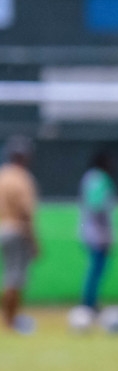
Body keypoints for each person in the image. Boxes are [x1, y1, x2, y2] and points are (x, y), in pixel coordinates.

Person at [0, 135, 39, 334]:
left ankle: (9, 318)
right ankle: (10, 320)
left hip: (2, 229)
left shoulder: (3, 175)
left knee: (9, 275)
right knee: (15, 279)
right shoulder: (23, 178)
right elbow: (26, 213)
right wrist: (34, 241)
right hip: (17, 230)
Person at [78, 152, 116, 315]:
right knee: (96, 269)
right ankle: (89, 303)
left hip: (90, 231)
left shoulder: (89, 178)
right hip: (98, 234)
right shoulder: (99, 179)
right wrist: (106, 236)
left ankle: (90, 302)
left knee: (95, 268)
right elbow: (98, 206)